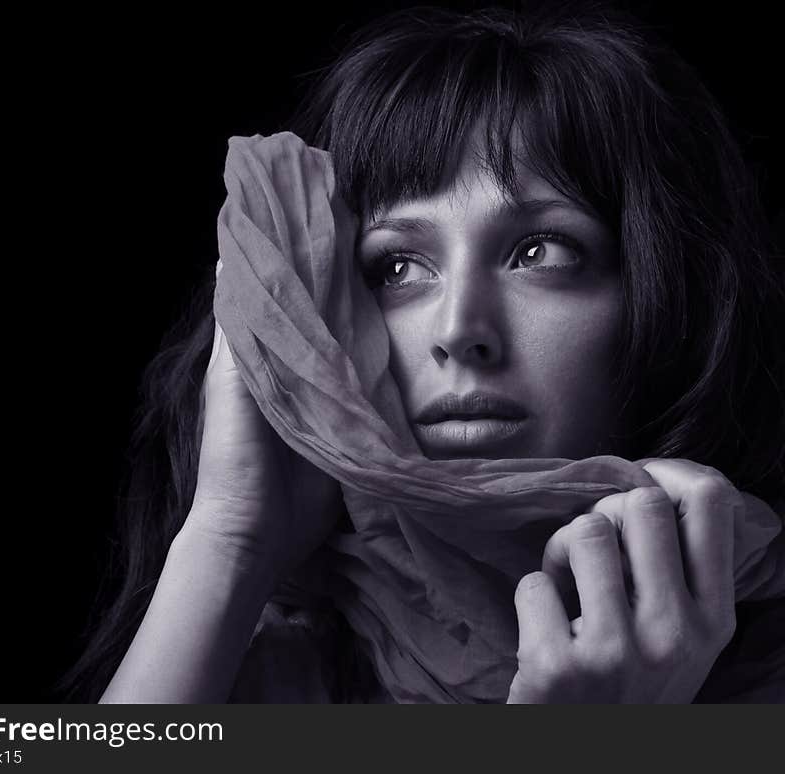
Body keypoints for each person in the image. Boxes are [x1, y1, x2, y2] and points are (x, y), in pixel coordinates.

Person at [60, 2, 785, 703]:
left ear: (664, 296)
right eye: (397, 268)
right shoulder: (257, 666)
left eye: (541, 252)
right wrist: (229, 541)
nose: (458, 327)